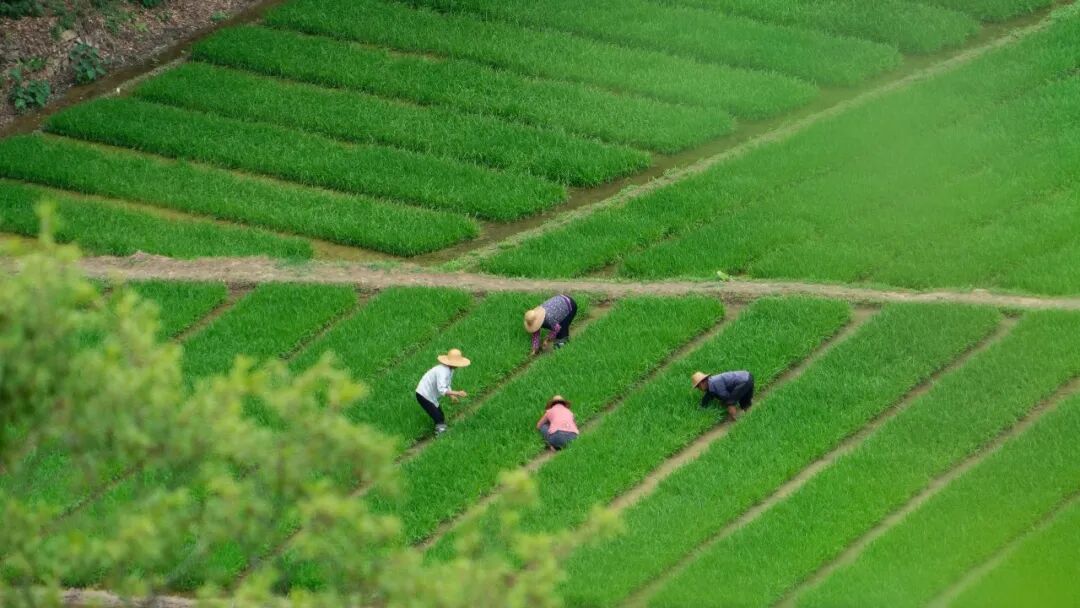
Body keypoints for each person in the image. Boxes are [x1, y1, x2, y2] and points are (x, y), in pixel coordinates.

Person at [415, 348, 470, 436]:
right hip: (423, 395)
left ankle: (439, 430)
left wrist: (452, 396)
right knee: (439, 418)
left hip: (430, 395)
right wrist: (457, 393)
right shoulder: (443, 371)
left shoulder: (449, 370)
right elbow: (442, 390)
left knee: (440, 415)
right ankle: (440, 435)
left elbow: (446, 384)